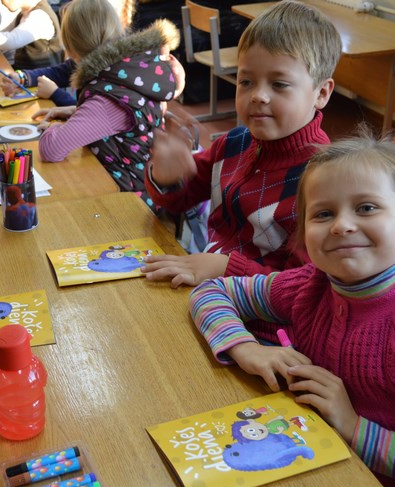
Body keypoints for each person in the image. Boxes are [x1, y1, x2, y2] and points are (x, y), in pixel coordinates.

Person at [190, 131, 395, 487]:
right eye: (323, 214)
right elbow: (211, 292)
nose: (341, 225)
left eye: (366, 207)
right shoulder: (312, 284)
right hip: (322, 462)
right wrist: (246, 348)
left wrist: (353, 425)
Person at [141, 0, 342, 287]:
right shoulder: (232, 143)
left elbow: (305, 286)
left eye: (279, 84)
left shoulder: (326, 182)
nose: (258, 96)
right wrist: (166, 177)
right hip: (209, 281)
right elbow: (178, 199)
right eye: (246, 82)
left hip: (257, 306)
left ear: (321, 93)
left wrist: (225, 267)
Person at [35, 0, 188, 214]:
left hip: (131, 204)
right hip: (140, 187)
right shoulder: (128, 71)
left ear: (69, 49)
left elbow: (51, 149)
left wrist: (53, 129)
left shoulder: (106, 98)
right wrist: (76, 113)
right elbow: (120, 117)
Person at [0, 0, 136, 106]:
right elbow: (58, 72)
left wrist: (55, 94)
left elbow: (88, 118)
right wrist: (22, 78)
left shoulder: (110, 76)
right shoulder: (90, 58)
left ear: (70, 46)